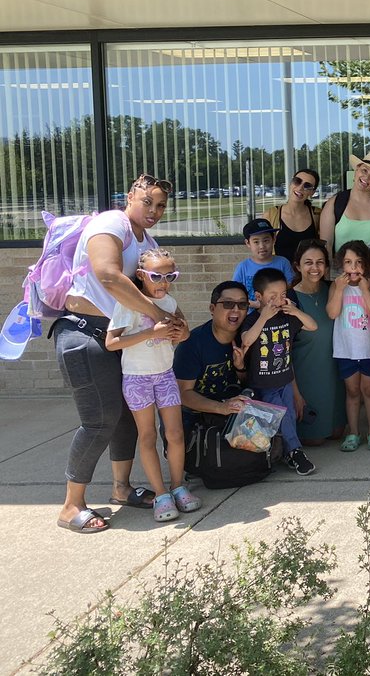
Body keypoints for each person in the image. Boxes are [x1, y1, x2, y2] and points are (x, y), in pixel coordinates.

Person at [54, 173, 182, 534]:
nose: (154, 210)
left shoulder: (146, 238)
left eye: (160, 206)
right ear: (130, 197)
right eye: (147, 202)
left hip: (122, 338)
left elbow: (155, 287)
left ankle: (121, 489)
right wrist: (159, 317)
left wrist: (175, 322)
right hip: (84, 335)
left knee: (126, 416)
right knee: (99, 420)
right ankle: (70, 505)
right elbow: (108, 274)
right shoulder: (112, 223)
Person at [105, 247, 196, 523]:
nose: (163, 283)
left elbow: (184, 331)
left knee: (175, 433)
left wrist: (182, 332)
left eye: (171, 276)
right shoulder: (129, 303)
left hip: (165, 375)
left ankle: (178, 485)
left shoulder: (169, 302)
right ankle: (160, 493)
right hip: (137, 378)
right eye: (157, 276)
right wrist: (149, 332)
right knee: (147, 437)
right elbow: (111, 343)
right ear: (142, 275)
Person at [238, 267, 319, 474]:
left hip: (284, 379)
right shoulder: (252, 319)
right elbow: (247, 340)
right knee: (280, 415)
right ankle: (296, 451)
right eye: (272, 296)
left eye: (283, 295)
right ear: (259, 296)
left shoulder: (287, 317)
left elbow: (312, 326)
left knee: (289, 415)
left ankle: (287, 453)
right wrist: (263, 318)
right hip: (263, 383)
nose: (279, 300)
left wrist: (296, 311)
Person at [175, 281, 253, 432]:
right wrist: (221, 407)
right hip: (196, 416)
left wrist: (240, 368)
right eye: (228, 304)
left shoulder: (247, 338)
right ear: (212, 308)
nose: (236, 310)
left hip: (234, 412)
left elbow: (252, 383)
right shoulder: (192, 343)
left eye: (242, 305)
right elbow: (183, 394)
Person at [328, 240, 370, 451]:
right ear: (341, 265)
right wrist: (339, 290)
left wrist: (365, 290)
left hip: (368, 348)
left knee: (369, 390)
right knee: (352, 391)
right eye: (348, 262)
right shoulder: (336, 285)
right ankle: (353, 433)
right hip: (346, 349)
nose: (353, 268)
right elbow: (332, 313)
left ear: (366, 264)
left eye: (359, 262)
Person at [289, 239, 342, 446]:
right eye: (308, 262)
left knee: (338, 433)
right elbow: (283, 353)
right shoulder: (291, 299)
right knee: (315, 440)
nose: (315, 268)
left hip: (334, 376)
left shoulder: (333, 289)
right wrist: (295, 394)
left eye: (320, 262)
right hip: (306, 377)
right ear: (297, 266)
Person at [319, 151, 370, 252]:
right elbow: (326, 246)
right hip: (341, 267)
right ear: (356, 170)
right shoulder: (334, 203)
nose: (367, 177)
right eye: (364, 170)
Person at [264, 168, 321, 264]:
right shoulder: (271, 215)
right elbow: (261, 249)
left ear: (312, 192)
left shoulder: (318, 215)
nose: (300, 187)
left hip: (309, 276)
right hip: (279, 275)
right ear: (291, 183)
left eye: (307, 186)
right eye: (297, 181)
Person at [234, 217, 295, 302]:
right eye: (256, 242)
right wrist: (256, 305)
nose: (262, 246)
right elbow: (236, 294)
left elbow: (290, 289)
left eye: (266, 240)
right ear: (248, 243)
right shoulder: (243, 267)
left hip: (279, 312)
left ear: (274, 239)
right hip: (251, 313)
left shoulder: (283, 263)